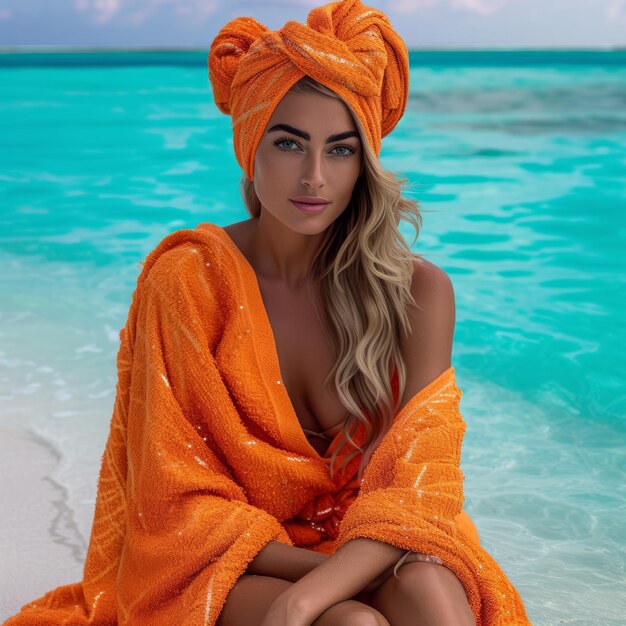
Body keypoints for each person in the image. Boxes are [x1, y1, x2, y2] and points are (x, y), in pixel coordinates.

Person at [4, 1, 532, 625]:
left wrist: (321, 588)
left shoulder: (418, 293)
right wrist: (333, 586)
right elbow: (174, 501)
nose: (314, 177)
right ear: (251, 147)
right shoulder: (190, 281)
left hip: (374, 548)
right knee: (352, 624)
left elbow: (420, 489)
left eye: (340, 150)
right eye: (289, 144)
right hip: (223, 557)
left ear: (364, 163)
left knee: (432, 597)